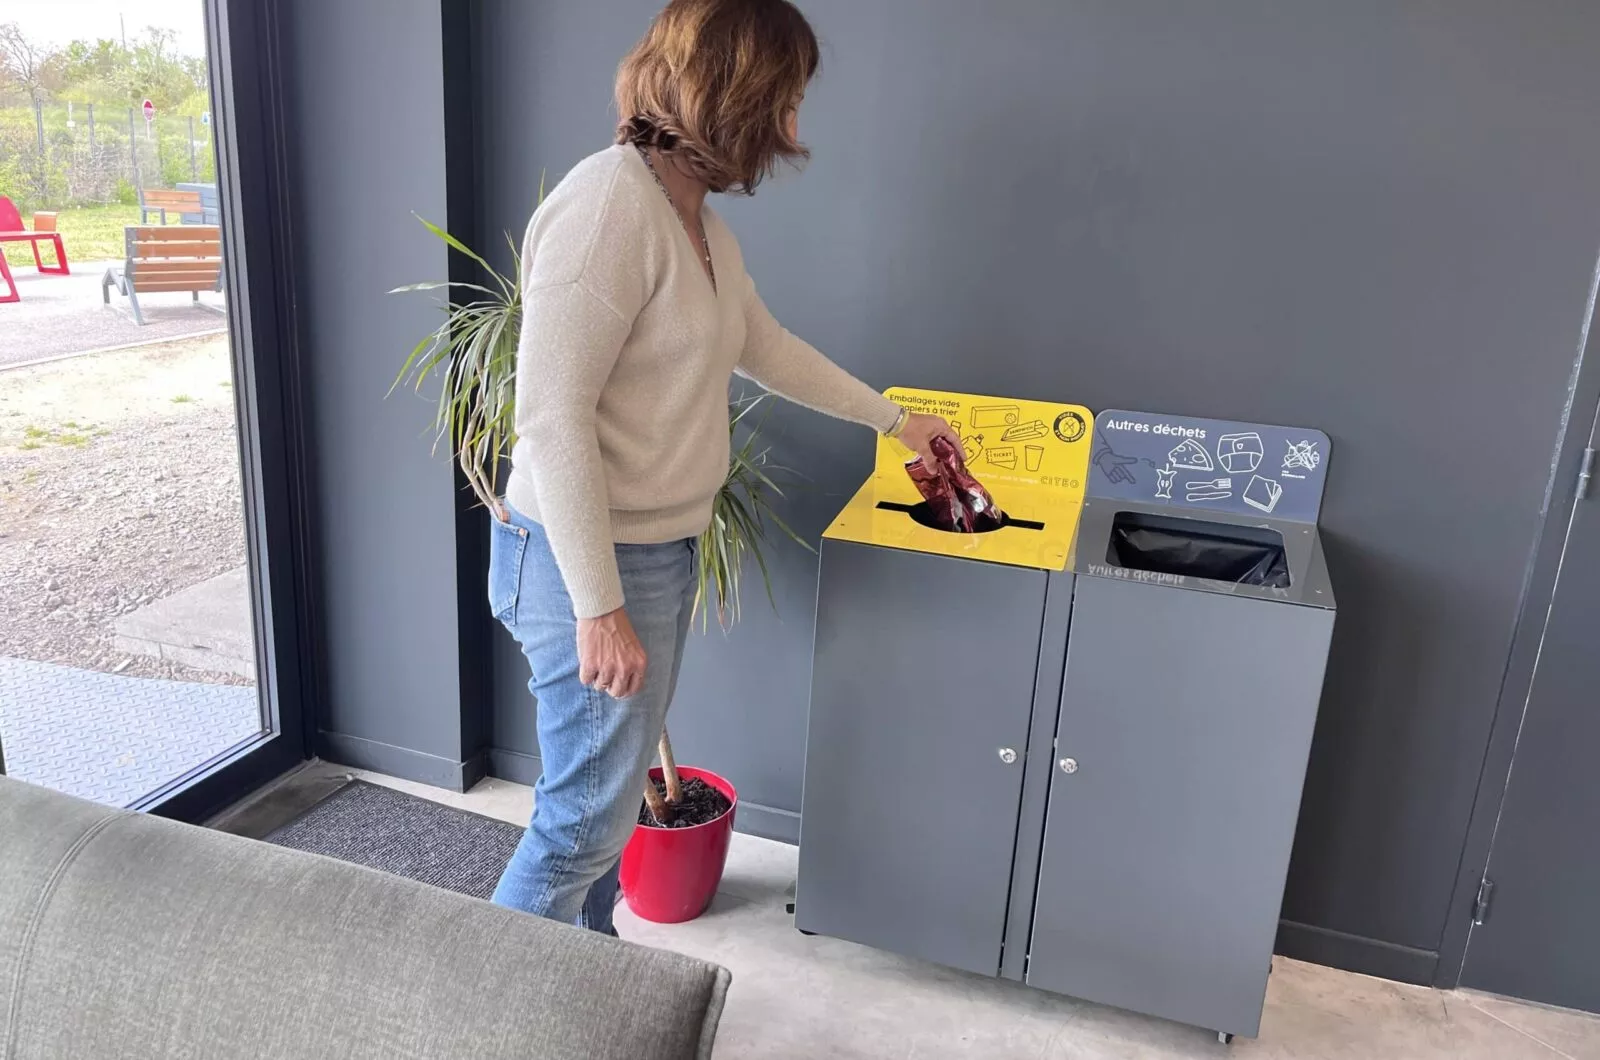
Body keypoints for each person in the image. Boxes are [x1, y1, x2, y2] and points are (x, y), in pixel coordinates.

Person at [488, 0, 956, 934]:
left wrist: (899, 422)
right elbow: (550, 413)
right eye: (786, 97)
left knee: (604, 812)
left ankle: (582, 978)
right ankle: (484, 999)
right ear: (734, 93)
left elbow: (766, 348)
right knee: (580, 826)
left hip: (651, 554)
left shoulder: (693, 223)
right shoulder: (609, 207)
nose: (793, 126)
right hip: (589, 560)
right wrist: (598, 605)